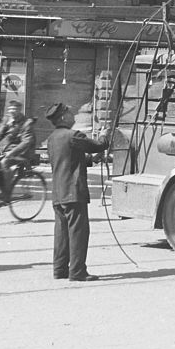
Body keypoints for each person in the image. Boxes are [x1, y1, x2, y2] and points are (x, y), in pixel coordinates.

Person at [45, 101, 111, 282]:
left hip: (58, 194)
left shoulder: (52, 138)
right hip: (73, 192)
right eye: (69, 112)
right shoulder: (73, 135)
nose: (73, 115)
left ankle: (60, 270)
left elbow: (68, 159)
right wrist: (105, 136)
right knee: (78, 233)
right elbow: (99, 145)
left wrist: (91, 159)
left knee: (62, 233)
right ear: (63, 117)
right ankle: (77, 271)